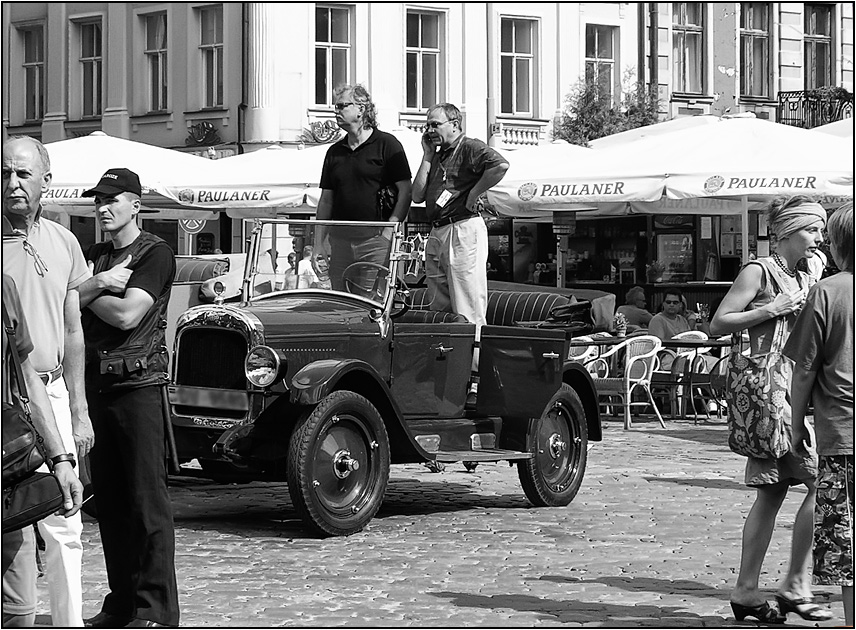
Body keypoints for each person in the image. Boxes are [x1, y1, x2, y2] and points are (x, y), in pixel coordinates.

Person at [709, 195, 831, 623]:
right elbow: (718, 323)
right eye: (812, 229)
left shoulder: (807, 271)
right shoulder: (758, 270)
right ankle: (795, 583)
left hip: (793, 390)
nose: (820, 237)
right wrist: (770, 308)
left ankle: (748, 590)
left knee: (774, 492)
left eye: (821, 229)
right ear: (787, 232)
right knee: (823, 482)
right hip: (767, 393)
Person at [75, 168, 179, 629]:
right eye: (98, 199)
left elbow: (126, 314)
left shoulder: (155, 253)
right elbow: (68, 298)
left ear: (135, 204)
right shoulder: (96, 255)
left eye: (112, 199)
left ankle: (155, 610)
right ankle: (121, 603)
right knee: (110, 503)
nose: (102, 207)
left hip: (138, 386)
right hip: (98, 384)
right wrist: (98, 283)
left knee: (145, 502)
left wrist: (82, 294)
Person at [2, 135, 94, 627]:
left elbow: (73, 329)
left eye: (22, 174)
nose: (12, 183)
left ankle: (67, 622)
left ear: (45, 181)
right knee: (10, 519)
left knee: (66, 520)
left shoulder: (64, 240)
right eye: (4, 174)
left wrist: (78, 409)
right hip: (5, 401)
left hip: (51, 388)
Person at [784, 202, 853, 627]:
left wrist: (795, 427)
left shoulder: (828, 291)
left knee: (846, 540)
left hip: (843, 432)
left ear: (838, 246)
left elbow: (803, 369)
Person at [411, 102, 509, 404]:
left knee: (467, 305)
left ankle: (475, 381)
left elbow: (501, 165)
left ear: (455, 123)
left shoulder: (470, 147)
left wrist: (475, 193)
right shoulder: (437, 155)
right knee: (440, 304)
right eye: (428, 124)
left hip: (463, 227)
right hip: (439, 229)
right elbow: (417, 194)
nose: (430, 130)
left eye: (435, 124)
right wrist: (427, 156)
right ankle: (447, 374)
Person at [2, 275, 84, 629]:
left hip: (5, 479)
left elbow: (27, 376)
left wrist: (61, 460)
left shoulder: (4, 288)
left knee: (19, 612)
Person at [316, 83, 412, 291]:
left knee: (371, 305)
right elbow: (326, 199)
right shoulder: (335, 151)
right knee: (341, 304)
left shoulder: (387, 145)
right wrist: (318, 242)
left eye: (342, 106)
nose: (336, 111)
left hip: (375, 240)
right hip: (340, 241)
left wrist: (389, 231)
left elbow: (406, 190)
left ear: (361, 108)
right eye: (336, 107)